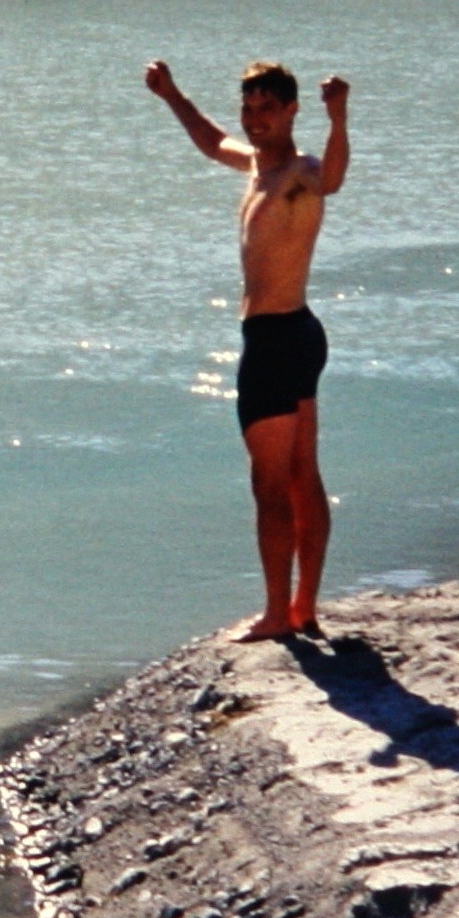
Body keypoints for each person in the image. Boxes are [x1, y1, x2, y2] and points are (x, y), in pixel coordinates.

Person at [146, 57, 353, 641]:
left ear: (291, 111)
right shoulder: (257, 167)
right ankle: (302, 607)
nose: (255, 119)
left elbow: (332, 177)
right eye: (250, 108)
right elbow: (213, 142)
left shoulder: (299, 174)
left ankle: (279, 612)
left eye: (268, 108)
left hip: (276, 340)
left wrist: (338, 117)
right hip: (298, 334)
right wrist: (171, 94)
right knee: (301, 474)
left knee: (273, 483)